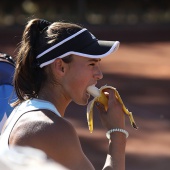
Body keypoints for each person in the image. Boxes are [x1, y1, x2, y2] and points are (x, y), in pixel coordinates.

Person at [0, 18, 127, 170]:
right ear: (60, 67)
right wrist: (117, 132)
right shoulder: (50, 128)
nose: (99, 74)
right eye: (91, 64)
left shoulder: (23, 110)